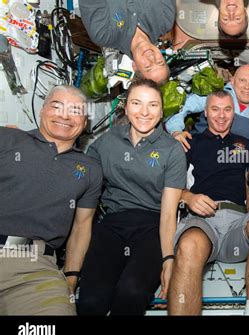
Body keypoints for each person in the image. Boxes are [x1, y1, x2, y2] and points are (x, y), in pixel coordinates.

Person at [77, 79, 186, 315]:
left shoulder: (172, 150)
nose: (144, 112)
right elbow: (84, 194)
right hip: (112, 225)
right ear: (125, 107)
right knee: (91, 301)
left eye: (153, 105)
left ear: (162, 110)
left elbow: (169, 213)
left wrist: (168, 259)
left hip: (152, 226)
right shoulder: (104, 144)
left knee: (132, 293)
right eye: (137, 103)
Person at [168, 90, 249, 315]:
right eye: (215, 109)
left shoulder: (245, 145)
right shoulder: (190, 143)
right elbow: (170, 188)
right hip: (202, 222)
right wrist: (188, 197)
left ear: (234, 114)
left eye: (227, 110)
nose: (221, 116)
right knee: (188, 246)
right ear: (206, 112)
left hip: (237, 226)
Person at [0, 85, 102, 315]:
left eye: (75, 110)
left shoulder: (90, 169)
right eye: (57, 106)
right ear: (42, 111)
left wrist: (71, 276)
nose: (64, 115)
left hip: (35, 270)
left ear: (84, 122)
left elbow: (82, 226)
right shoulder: (7, 139)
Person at [166, 64, 249, 149]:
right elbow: (182, 106)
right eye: (242, 80)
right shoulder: (216, 95)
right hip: (200, 151)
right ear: (232, 81)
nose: (247, 86)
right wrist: (176, 131)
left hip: (235, 161)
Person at [79, 0, 175, 85]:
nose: (152, 58)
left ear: (135, 67)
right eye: (159, 62)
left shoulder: (103, 34)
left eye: (148, 67)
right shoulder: (165, 19)